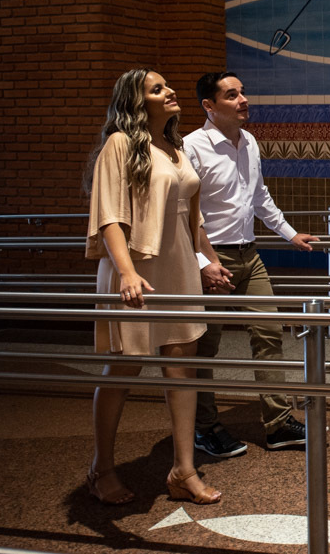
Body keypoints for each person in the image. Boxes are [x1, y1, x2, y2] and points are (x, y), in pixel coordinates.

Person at [83, 68, 222, 505]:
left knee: (182, 370)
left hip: (178, 268)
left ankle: (183, 470)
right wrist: (125, 272)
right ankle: (101, 467)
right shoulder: (120, 144)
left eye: (167, 85)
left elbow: (192, 217)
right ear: (137, 102)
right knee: (122, 372)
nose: (170, 91)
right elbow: (108, 215)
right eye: (157, 89)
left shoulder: (176, 148)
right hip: (137, 268)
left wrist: (210, 260)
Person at [185, 71, 319, 457]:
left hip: (249, 254)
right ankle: (205, 428)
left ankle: (277, 424)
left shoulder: (249, 141)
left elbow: (259, 197)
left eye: (242, 92)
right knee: (203, 345)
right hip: (212, 258)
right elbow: (183, 213)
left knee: (269, 332)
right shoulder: (192, 146)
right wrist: (202, 261)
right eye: (232, 95)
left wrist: (289, 233)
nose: (243, 100)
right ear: (209, 106)